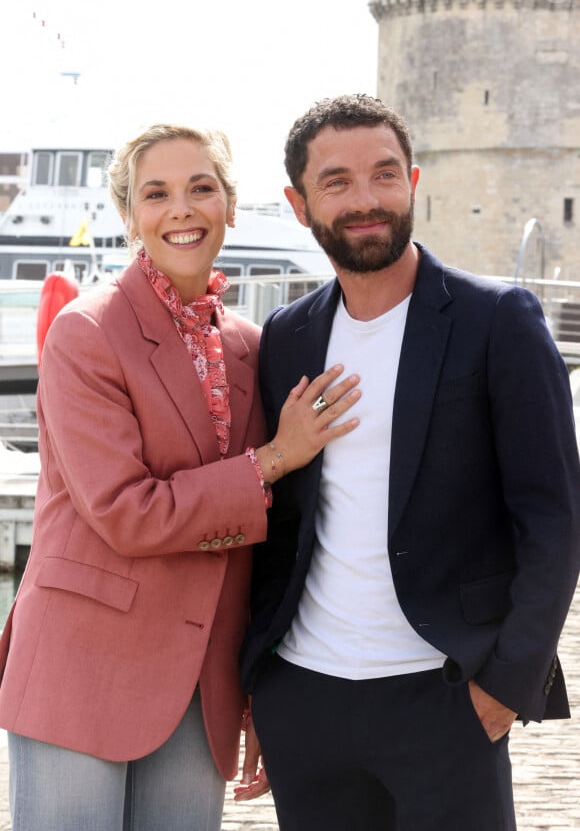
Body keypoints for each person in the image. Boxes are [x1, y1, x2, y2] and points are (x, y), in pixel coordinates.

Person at [0, 123, 361, 831]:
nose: (182, 209)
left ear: (228, 203)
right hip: (82, 663)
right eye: (156, 193)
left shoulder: (253, 346)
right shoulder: (86, 333)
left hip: (203, 681)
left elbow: (267, 544)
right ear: (131, 215)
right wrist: (273, 458)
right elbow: (125, 511)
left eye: (202, 188)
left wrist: (256, 687)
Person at [238, 95, 580, 829]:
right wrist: (262, 684)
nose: (366, 200)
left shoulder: (498, 321)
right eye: (337, 182)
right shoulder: (287, 336)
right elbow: (282, 530)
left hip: (446, 696)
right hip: (306, 698)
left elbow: (554, 521)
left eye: (384, 175)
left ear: (414, 181)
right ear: (299, 204)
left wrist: (504, 686)